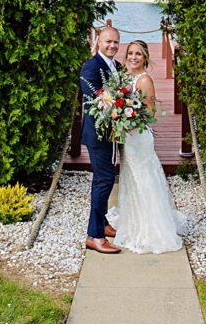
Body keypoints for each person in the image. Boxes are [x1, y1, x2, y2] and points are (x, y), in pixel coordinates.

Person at [105, 40, 187, 254]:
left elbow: (150, 113)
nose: (133, 57)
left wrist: (128, 123)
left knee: (144, 178)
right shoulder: (125, 77)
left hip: (139, 138)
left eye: (138, 54)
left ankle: (152, 227)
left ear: (145, 58)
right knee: (131, 177)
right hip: (128, 138)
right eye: (130, 53)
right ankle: (134, 219)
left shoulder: (144, 80)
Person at [79, 25, 123, 254]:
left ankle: (103, 223)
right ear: (98, 42)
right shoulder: (91, 67)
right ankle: (94, 235)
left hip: (111, 133)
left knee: (107, 177)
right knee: (103, 180)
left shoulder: (117, 66)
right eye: (108, 41)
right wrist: (118, 106)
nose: (112, 46)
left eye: (116, 42)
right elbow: (95, 99)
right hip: (97, 134)